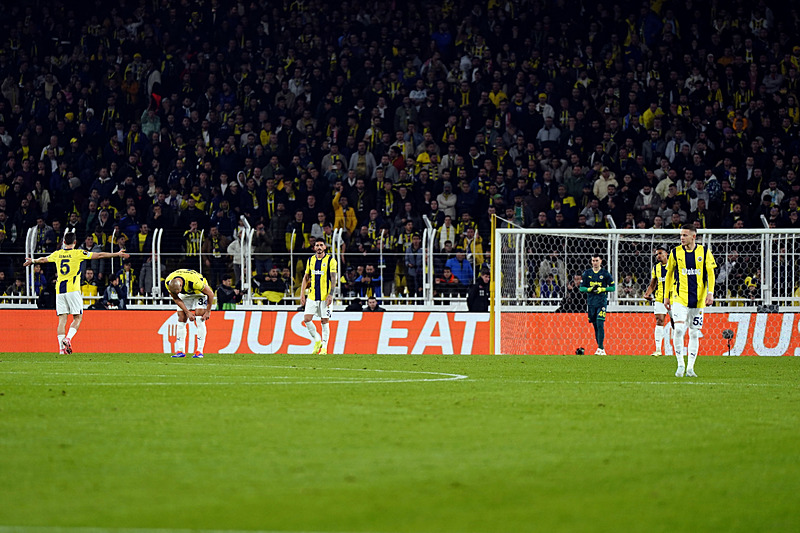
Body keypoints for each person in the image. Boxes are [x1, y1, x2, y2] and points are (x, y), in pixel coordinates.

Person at [23, 232, 129, 354]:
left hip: (60, 291)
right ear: (75, 243)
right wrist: (116, 254)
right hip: (73, 290)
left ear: (63, 242)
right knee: (77, 318)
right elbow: (99, 255)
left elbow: (43, 259)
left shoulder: (58, 254)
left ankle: (61, 350)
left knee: (62, 320)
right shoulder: (78, 253)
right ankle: (68, 339)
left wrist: (33, 260)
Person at [664, 224, 717, 378]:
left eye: (685, 235)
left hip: (699, 300)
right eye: (681, 235)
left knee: (694, 333)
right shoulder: (675, 252)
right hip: (679, 298)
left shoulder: (705, 252)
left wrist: (710, 293)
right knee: (679, 329)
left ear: (693, 236)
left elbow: (711, 274)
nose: (682, 238)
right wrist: (667, 296)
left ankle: (690, 368)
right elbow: (669, 275)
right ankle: (680, 364)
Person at [164, 268, 216, 358]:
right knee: (181, 317)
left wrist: (208, 311)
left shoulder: (195, 282)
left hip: (198, 292)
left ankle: (199, 351)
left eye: (178, 291)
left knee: (199, 317)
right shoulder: (168, 282)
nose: (177, 293)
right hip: (186, 294)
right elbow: (176, 298)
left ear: (180, 286)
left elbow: (211, 294)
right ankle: (180, 350)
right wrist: (187, 312)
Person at [300, 240, 338, 354]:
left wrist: (331, 294)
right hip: (312, 295)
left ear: (325, 247)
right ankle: (317, 340)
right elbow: (306, 277)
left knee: (324, 320)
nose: (319, 247)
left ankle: (325, 347)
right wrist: (302, 293)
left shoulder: (331, 260)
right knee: (307, 319)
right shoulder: (311, 260)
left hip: (325, 296)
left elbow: (333, 278)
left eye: (321, 245)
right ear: (314, 248)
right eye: (317, 245)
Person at [579, 254, 616, 355]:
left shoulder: (605, 274)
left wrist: (602, 289)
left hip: (601, 302)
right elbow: (581, 288)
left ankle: (601, 348)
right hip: (591, 303)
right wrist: (589, 289)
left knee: (600, 324)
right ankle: (600, 349)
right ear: (591, 262)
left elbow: (613, 287)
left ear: (601, 261)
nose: (595, 263)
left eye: (597, 261)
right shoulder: (587, 273)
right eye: (593, 261)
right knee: (595, 326)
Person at [643, 246, 673, 357]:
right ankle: (658, 350)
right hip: (660, 298)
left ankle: (677, 349)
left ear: (666, 254)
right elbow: (653, 284)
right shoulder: (656, 268)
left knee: (675, 323)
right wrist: (647, 293)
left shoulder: (674, 265)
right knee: (659, 320)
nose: (658, 256)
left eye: (660, 253)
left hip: (674, 298)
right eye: (656, 254)